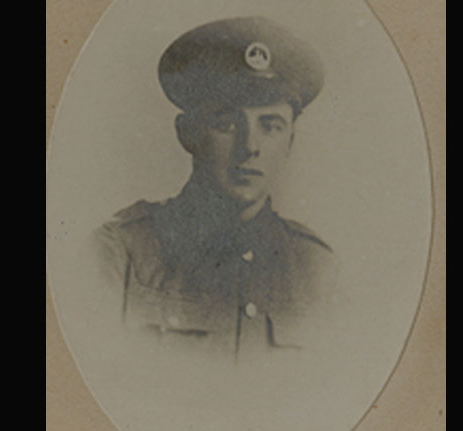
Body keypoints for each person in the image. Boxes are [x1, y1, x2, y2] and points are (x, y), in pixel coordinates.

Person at [95, 16, 337, 358]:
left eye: (270, 126)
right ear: (187, 133)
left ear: (290, 142)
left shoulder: (318, 270)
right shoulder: (121, 256)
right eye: (227, 124)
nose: (249, 146)